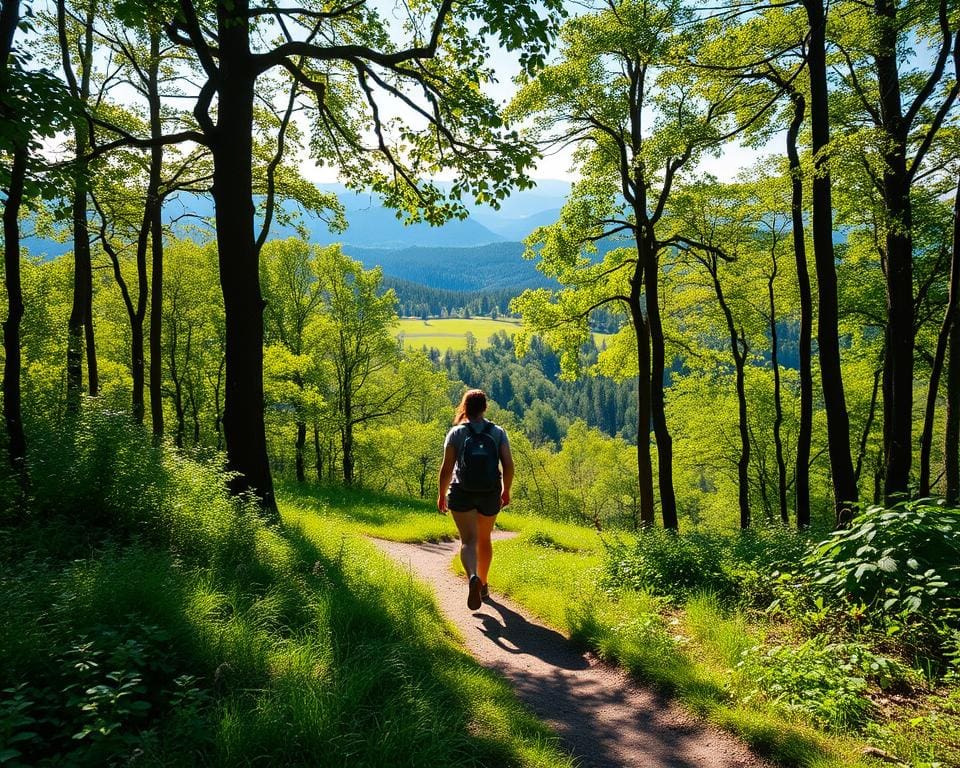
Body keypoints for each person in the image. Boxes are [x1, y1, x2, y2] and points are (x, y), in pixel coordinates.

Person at [437, 388, 514, 610]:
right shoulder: (498, 432)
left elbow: (447, 468)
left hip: (461, 492)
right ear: (485, 408)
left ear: (464, 407)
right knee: (484, 538)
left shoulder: (456, 433)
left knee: (468, 541)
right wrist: (506, 490)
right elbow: (508, 465)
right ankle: (484, 585)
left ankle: (472, 576)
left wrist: (442, 494)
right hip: (489, 493)